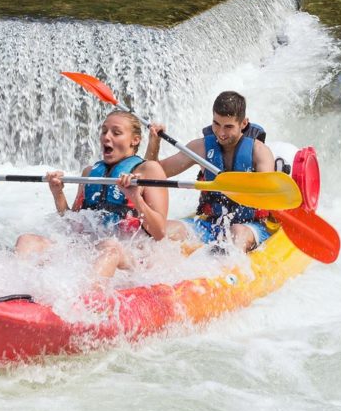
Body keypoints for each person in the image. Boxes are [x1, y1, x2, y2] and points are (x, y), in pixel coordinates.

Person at [15, 110, 169, 278]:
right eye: (104, 131)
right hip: (90, 248)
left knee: (110, 247)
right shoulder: (90, 172)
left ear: (135, 140)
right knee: (27, 240)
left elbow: (159, 233)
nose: (106, 137)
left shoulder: (149, 170)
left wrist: (136, 198)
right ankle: (14, 293)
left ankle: (89, 301)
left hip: (132, 255)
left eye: (116, 133)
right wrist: (57, 193)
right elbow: (73, 222)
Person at [148, 90, 277, 252]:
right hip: (211, 223)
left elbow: (268, 194)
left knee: (237, 233)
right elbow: (152, 173)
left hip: (249, 225)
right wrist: (154, 143)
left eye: (228, 126)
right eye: (216, 124)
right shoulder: (200, 148)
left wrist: (237, 187)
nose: (221, 133)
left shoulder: (259, 152)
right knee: (163, 231)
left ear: (244, 123)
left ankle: (229, 272)